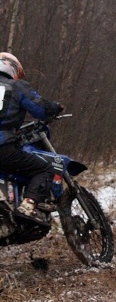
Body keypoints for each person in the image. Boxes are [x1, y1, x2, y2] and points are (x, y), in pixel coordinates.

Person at [0, 52, 63, 225]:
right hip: (2, 147)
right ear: (11, 67)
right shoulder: (15, 86)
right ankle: (27, 206)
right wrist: (56, 107)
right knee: (45, 170)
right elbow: (40, 109)